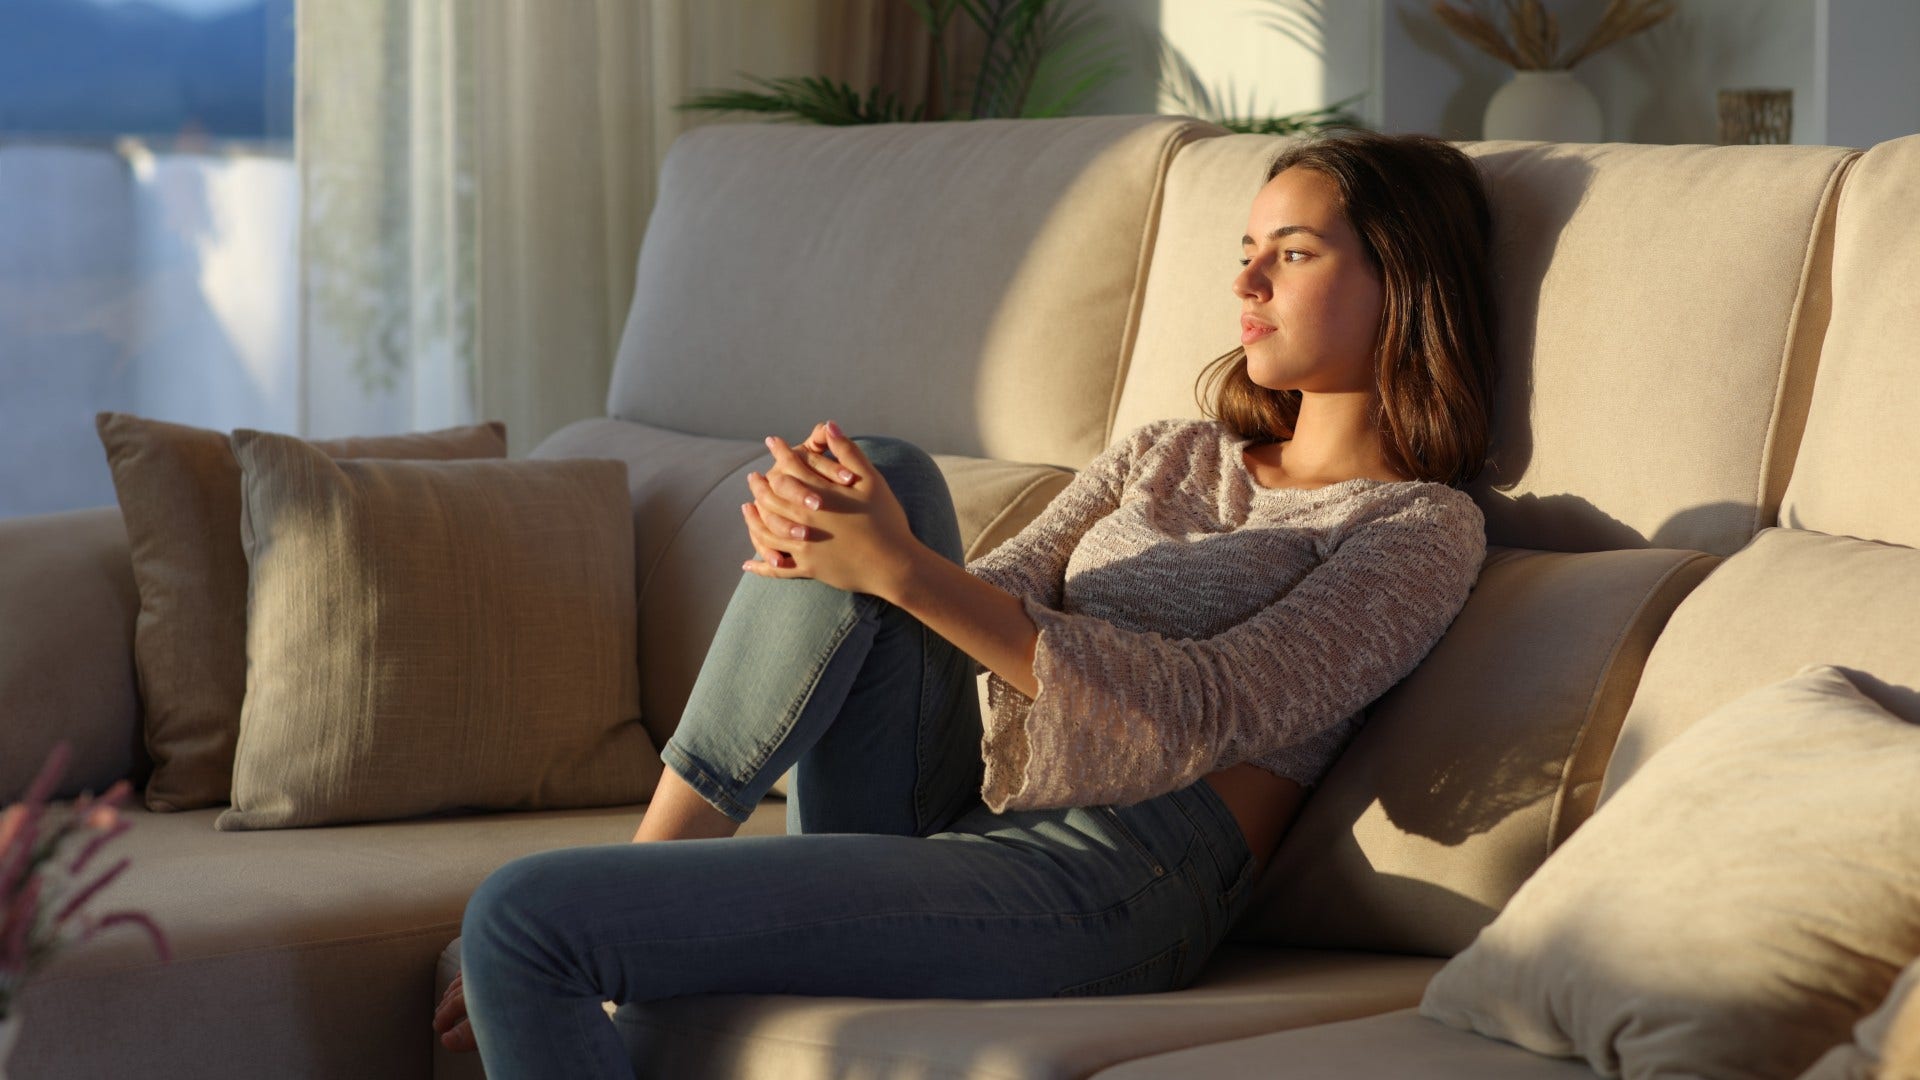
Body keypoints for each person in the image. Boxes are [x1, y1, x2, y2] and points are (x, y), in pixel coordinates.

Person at [433, 128, 1497, 1079]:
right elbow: (985, 598)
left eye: (1293, 254)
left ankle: (622, 900)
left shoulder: (1417, 526)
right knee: (877, 471)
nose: (1247, 280)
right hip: (959, 803)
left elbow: (1201, 710)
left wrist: (897, 569)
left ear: (1403, 284)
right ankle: (656, 860)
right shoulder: (1168, 452)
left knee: (525, 918)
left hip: (1119, 877)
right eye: (1247, 250)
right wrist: (857, 550)